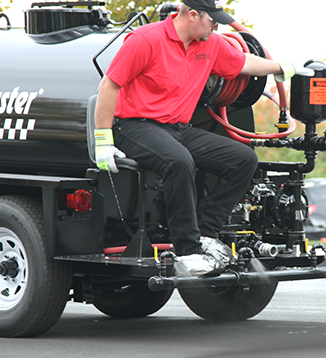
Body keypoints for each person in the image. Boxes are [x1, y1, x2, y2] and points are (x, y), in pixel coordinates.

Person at [94, 0, 313, 275]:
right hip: (134, 126)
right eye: (214, 21)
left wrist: (279, 66)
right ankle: (188, 251)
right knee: (179, 161)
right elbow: (109, 84)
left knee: (243, 158)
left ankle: (206, 233)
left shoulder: (209, 44)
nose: (218, 26)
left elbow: (244, 62)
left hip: (178, 128)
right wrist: (103, 139)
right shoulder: (145, 40)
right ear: (193, 15)